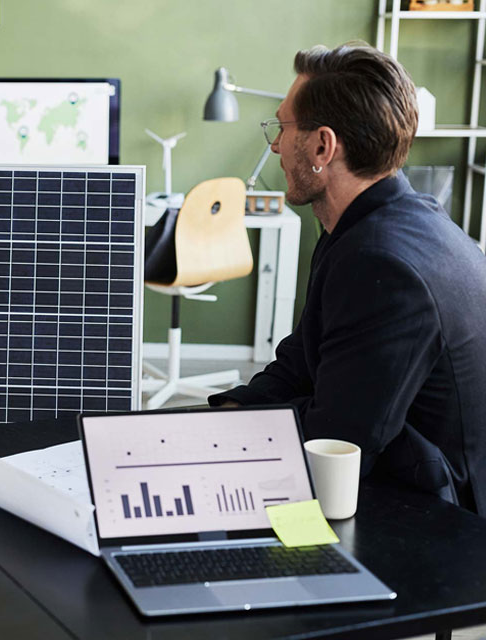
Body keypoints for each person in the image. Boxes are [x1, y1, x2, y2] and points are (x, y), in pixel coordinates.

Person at [208, 43, 486, 513]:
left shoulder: (382, 263)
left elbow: (337, 440)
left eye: (282, 127)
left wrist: (225, 441)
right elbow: (303, 359)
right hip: (394, 466)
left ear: (322, 145)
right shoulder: (373, 224)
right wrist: (234, 412)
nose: (275, 145)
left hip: (436, 519)